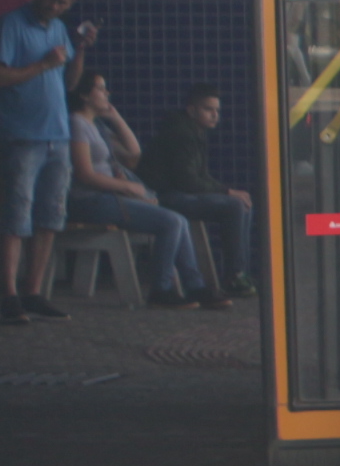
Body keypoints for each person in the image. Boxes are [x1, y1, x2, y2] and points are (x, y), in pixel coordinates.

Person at [0, 0, 95, 323]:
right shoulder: (11, 25)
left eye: (62, 3)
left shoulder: (59, 28)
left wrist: (79, 51)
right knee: (16, 216)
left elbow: (70, 83)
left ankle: (34, 291)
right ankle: (10, 295)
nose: (54, 6)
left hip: (57, 136)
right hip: (21, 136)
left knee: (50, 217)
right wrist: (42, 64)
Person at [69, 74, 228, 309]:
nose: (107, 93)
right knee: (171, 221)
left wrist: (115, 116)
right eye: (101, 89)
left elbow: (133, 154)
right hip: (90, 200)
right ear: (84, 95)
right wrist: (126, 186)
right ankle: (161, 289)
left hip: (109, 196)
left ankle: (195, 287)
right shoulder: (77, 123)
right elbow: (84, 174)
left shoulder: (97, 126)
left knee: (180, 221)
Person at [140, 82, 257, 294]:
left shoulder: (195, 130)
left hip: (179, 192)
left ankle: (239, 273)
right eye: (208, 109)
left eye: (217, 110)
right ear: (192, 110)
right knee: (234, 206)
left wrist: (227, 191)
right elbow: (187, 181)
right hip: (164, 196)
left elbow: (200, 176)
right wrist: (226, 192)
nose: (214, 115)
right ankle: (235, 276)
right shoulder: (182, 133)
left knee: (242, 203)